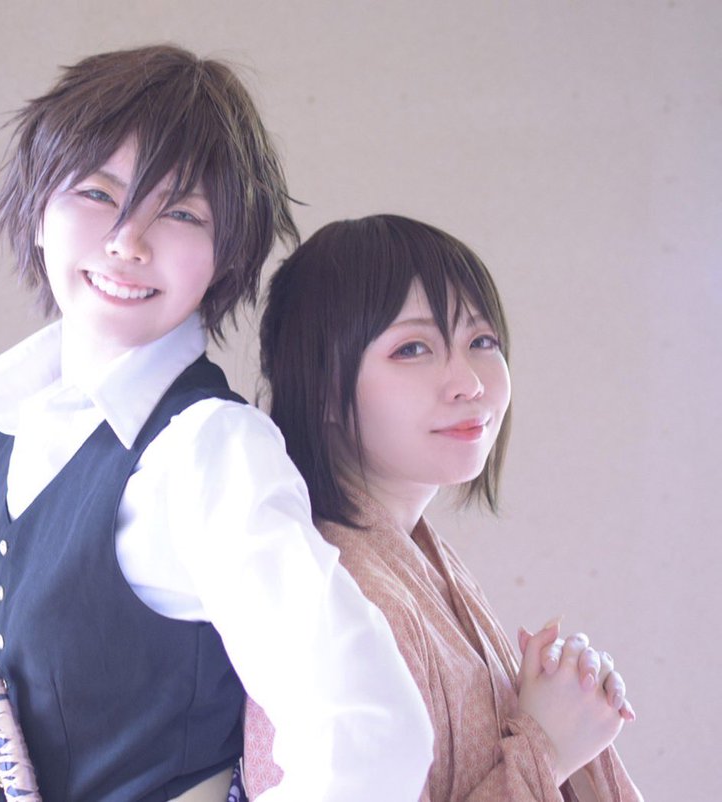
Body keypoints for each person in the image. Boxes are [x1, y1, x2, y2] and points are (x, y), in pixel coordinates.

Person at [0, 47, 433, 802]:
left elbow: (374, 736)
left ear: (226, 257)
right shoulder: (15, 412)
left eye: (182, 212)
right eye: (97, 192)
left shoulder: (208, 448)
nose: (128, 240)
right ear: (38, 206)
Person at [245, 214, 642, 800]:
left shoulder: (415, 554)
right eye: (412, 348)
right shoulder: (339, 592)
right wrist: (546, 747)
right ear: (322, 385)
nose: (469, 383)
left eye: (481, 341)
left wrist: (560, 705)